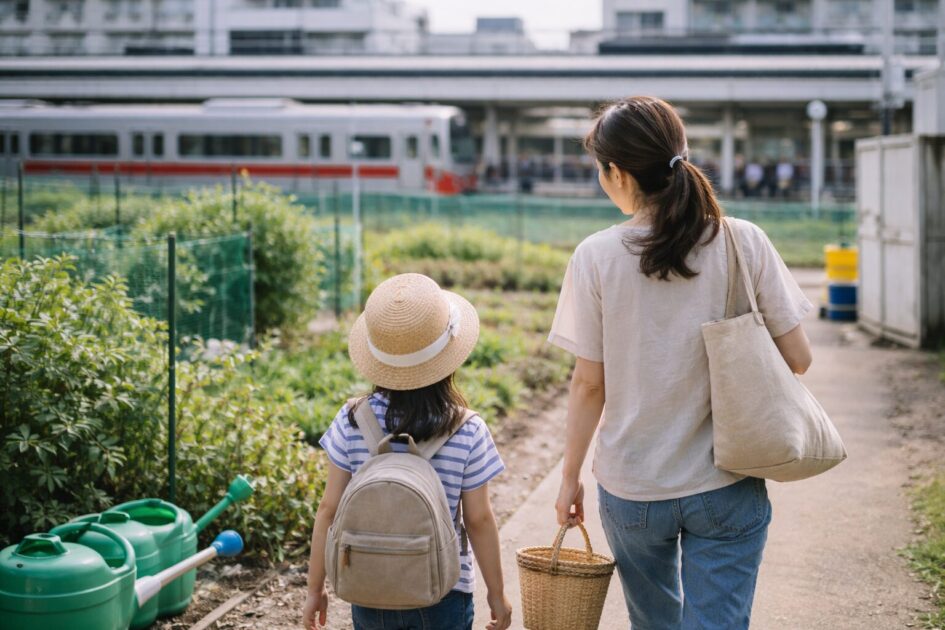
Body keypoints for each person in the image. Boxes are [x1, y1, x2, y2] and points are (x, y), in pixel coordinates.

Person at [548, 96, 813, 630]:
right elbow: (799, 359)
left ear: (617, 173)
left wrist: (569, 476)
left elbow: (587, 386)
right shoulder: (743, 240)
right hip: (726, 480)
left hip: (632, 489)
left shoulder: (595, 257)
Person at [302, 273, 513, 630]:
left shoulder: (353, 419)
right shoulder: (467, 428)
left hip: (370, 585)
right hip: (444, 588)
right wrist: (497, 593)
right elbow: (478, 520)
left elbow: (328, 509)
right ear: (449, 355)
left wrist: (314, 589)